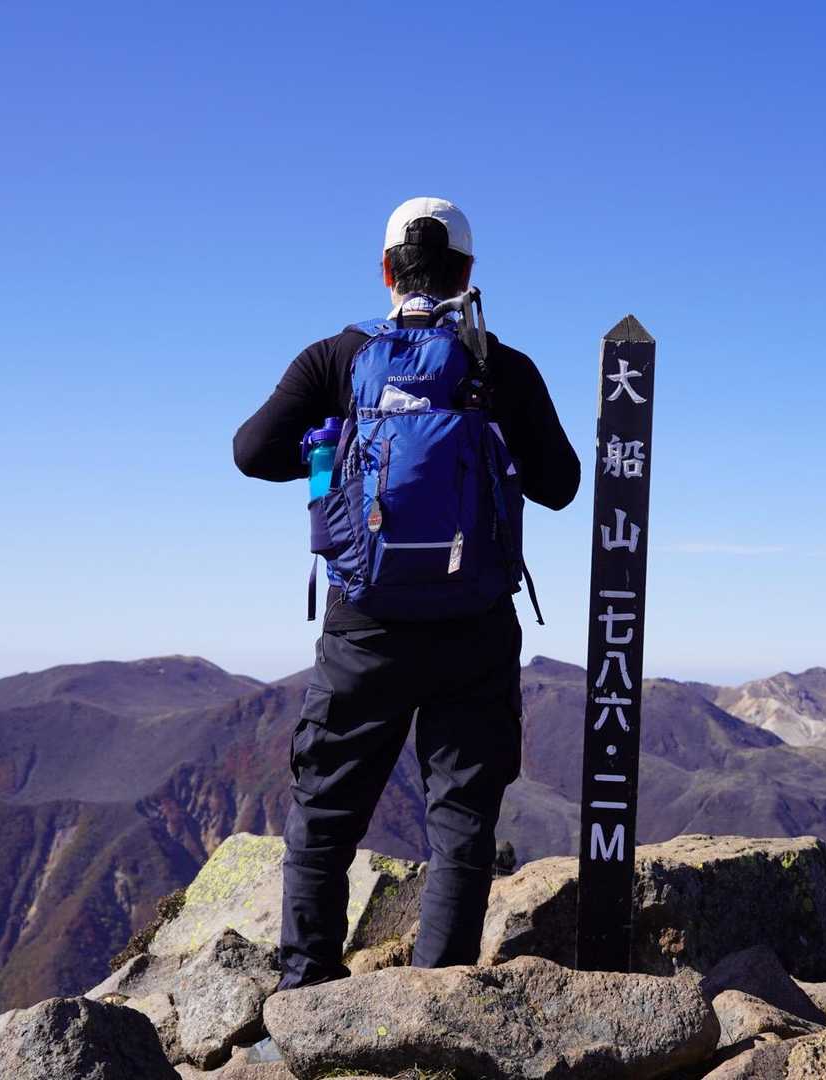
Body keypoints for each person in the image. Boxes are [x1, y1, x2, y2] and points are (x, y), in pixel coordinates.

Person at [232, 197, 580, 989]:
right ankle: (436, 999)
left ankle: (305, 991)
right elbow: (561, 485)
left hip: (365, 624)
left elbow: (251, 451)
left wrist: (333, 453)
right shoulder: (500, 366)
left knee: (326, 810)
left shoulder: (336, 359)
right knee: (461, 820)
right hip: (474, 623)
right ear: (467, 273)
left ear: (386, 271)